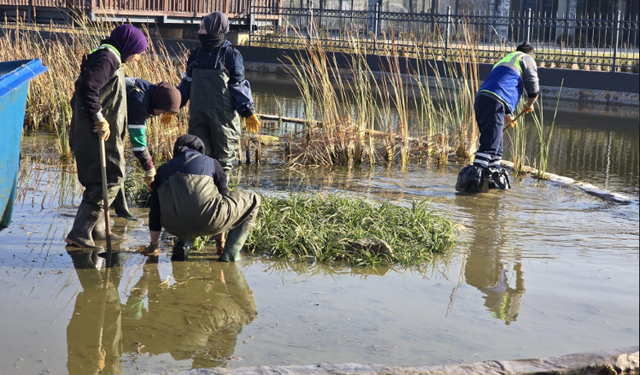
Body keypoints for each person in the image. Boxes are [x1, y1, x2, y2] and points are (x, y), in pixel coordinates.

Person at [66, 24, 148, 249]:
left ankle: (99, 230)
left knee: (101, 179)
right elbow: (89, 89)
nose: (139, 57)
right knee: (110, 179)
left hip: (98, 133)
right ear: (129, 45)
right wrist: (99, 118)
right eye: (139, 51)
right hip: (95, 133)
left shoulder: (110, 56)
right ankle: (80, 232)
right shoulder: (107, 58)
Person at [142, 134, 260, 262]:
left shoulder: (163, 169)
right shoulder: (212, 163)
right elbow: (223, 199)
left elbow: (155, 210)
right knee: (254, 199)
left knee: (187, 210)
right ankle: (230, 254)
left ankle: (183, 245)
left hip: (173, 225)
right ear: (200, 150)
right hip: (210, 220)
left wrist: (153, 245)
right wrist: (220, 241)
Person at [177, 11, 260, 173]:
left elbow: (239, 84)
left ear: (215, 29)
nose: (199, 32)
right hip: (198, 117)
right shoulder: (195, 55)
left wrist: (248, 111)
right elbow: (187, 83)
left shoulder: (231, 55)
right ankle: (203, 195)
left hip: (223, 120)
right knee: (197, 155)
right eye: (200, 28)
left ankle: (222, 195)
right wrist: (174, 105)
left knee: (223, 159)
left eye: (203, 28)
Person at [456, 42, 539, 193]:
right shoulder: (526, 58)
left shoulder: (505, 60)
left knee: (496, 149)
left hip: (483, 100)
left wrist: (507, 114)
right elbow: (533, 88)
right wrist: (529, 104)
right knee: (489, 146)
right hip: (495, 103)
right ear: (531, 54)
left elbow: (501, 85)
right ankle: (471, 190)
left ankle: (491, 188)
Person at [111, 77, 182, 221]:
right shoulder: (138, 98)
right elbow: (138, 143)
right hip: (97, 120)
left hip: (110, 120)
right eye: (162, 112)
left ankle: (118, 208)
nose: (159, 116)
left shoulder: (149, 92)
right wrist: (149, 168)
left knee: (116, 167)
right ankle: (116, 210)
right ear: (159, 103)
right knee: (113, 167)